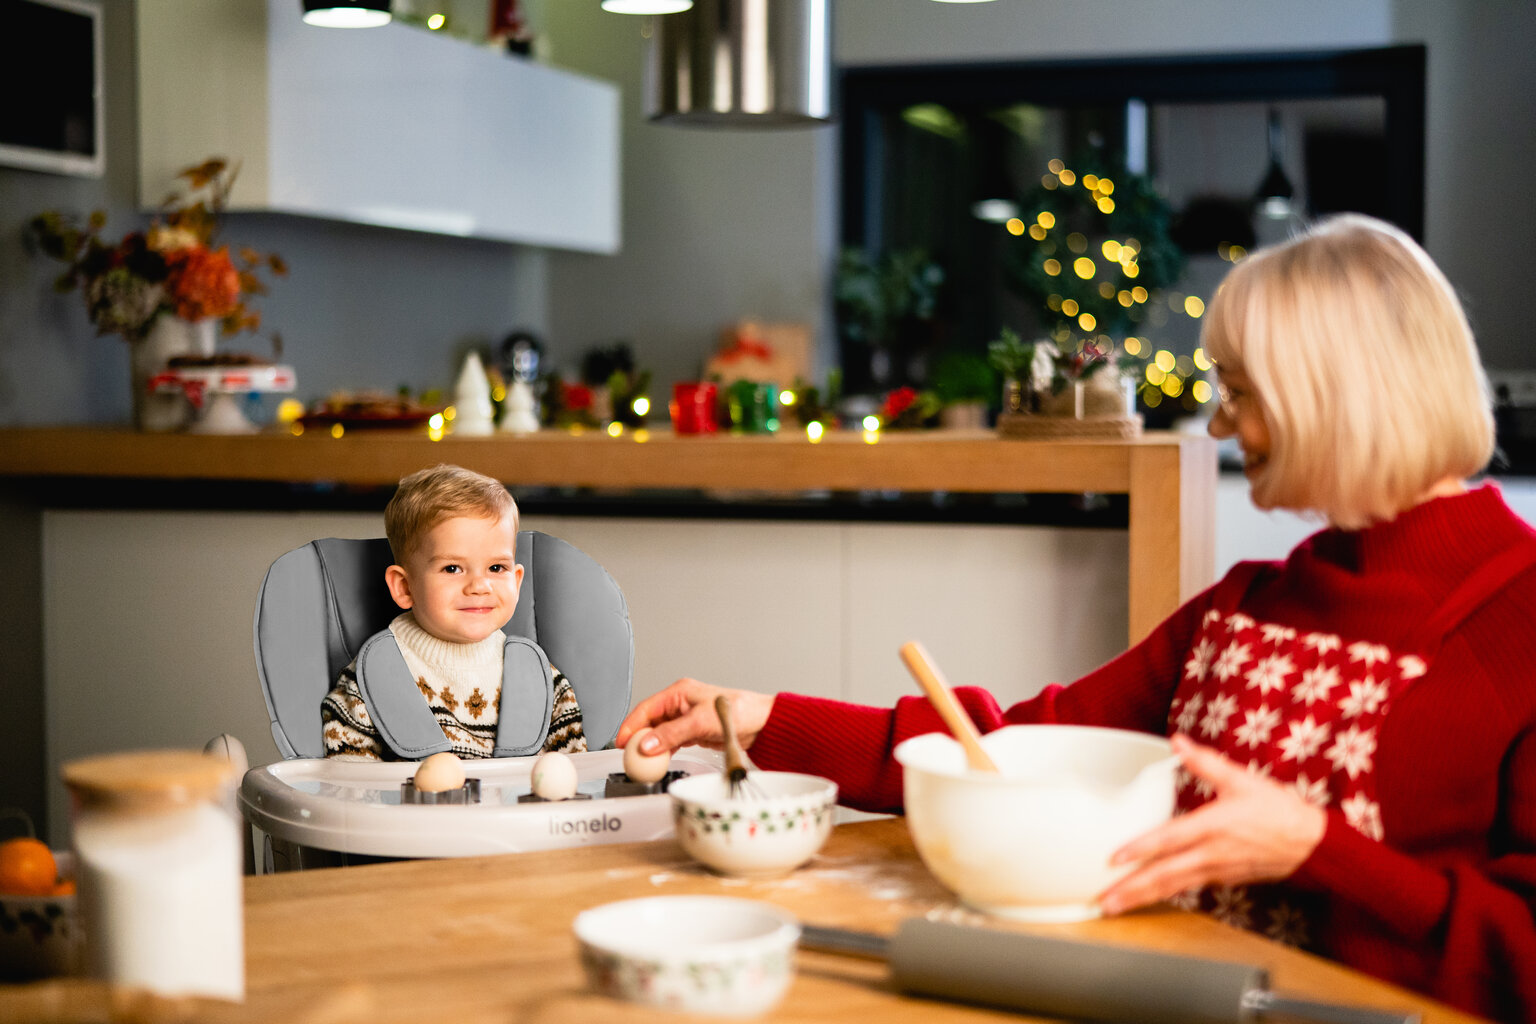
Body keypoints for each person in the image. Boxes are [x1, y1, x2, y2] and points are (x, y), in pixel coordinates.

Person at [617, 214, 1536, 1021]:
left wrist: (1316, 851)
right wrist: (764, 718)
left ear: (1334, 395)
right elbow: (1008, 750)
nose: (1219, 427)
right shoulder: (1246, 604)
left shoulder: (1518, 615)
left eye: (1242, 394)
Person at [322, 464, 586, 759]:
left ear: (517, 580)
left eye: (496, 568)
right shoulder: (373, 677)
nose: (479, 586)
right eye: (452, 568)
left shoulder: (541, 681)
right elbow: (348, 785)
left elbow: (573, 777)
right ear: (405, 587)